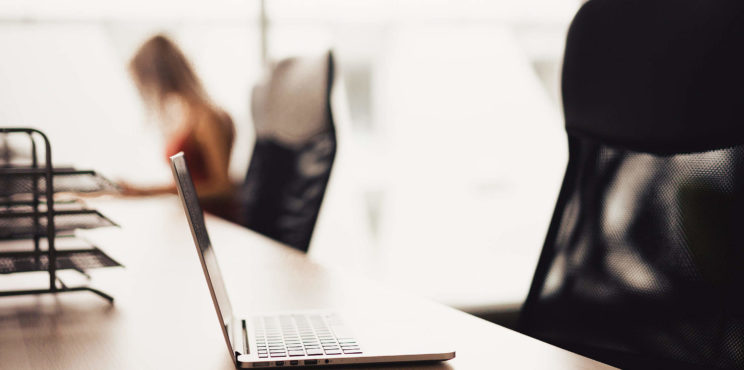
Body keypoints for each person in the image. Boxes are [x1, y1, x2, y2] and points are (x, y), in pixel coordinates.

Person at [123, 34, 235, 216]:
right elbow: (185, 183)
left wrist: (148, 192)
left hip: (213, 221)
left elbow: (222, 187)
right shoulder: (184, 115)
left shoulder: (207, 117)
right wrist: (141, 190)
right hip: (189, 217)